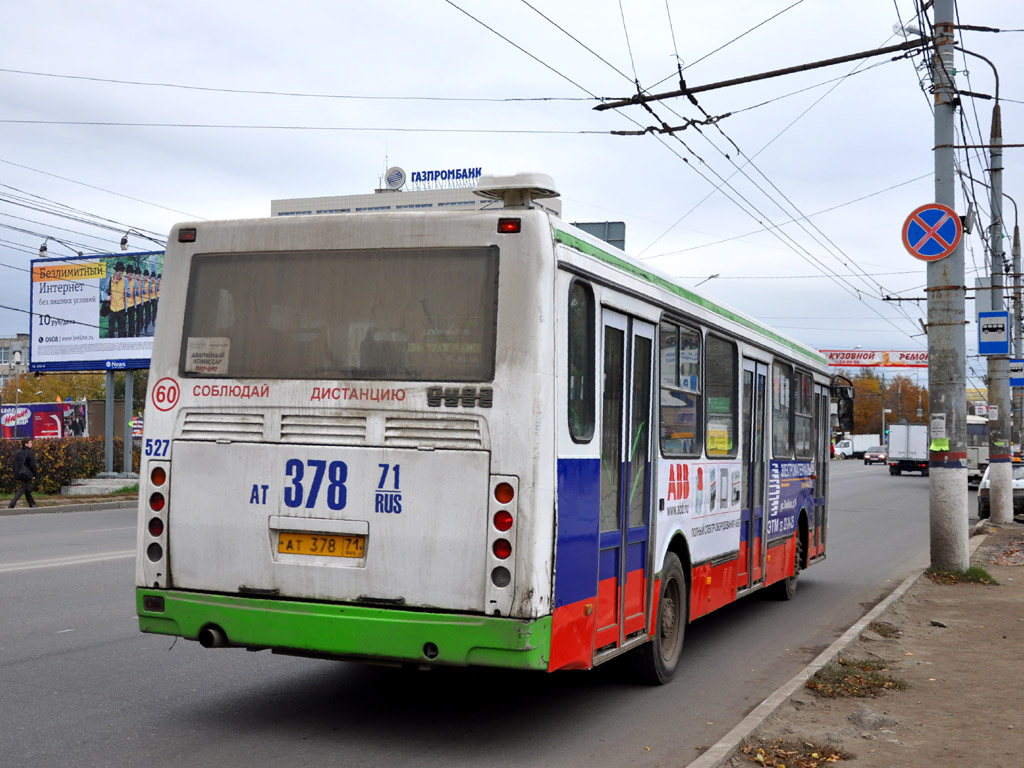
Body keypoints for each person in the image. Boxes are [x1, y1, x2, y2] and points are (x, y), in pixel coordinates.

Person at [9, 438, 38, 508]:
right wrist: (35, 475)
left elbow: (15, 464)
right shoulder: (29, 453)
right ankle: (12, 503)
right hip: (26, 473)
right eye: (30, 442)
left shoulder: (17, 453)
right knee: (22, 488)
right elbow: (33, 465)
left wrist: (17, 474)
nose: (32, 444)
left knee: (26, 488)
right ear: (26, 444)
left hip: (20, 473)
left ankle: (32, 503)